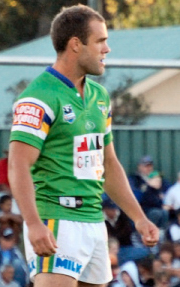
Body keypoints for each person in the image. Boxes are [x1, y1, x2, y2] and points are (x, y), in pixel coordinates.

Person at [8, 4, 159, 287]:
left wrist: (139, 218)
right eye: (100, 41)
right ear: (76, 45)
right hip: (56, 219)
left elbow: (109, 165)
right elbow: (18, 164)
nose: (107, 49)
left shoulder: (100, 96)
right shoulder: (39, 96)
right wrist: (33, 223)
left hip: (93, 221)